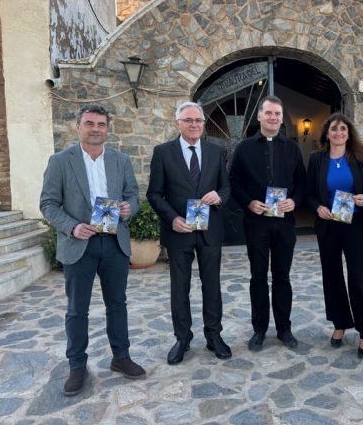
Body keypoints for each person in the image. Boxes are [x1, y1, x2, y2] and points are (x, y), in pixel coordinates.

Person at [40, 105, 146, 396]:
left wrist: (129, 208)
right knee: (77, 309)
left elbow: (132, 195)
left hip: (114, 243)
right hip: (79, 244)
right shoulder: (61, 161)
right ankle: (77, 365)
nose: (95, 129)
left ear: (107, 129)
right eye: (89, 123)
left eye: (101, 124)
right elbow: (48, 204)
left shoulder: (120, 160)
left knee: (117, 304)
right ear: (78, 127)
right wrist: (72, 226)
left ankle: (121, 357)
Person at [147, 102, 231, 365]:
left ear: (203, 124)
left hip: (210, 231)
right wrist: (172, 219)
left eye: (199, 120)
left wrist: (219, 196)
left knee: (212, 286)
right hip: (179, 231)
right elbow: (154, 194)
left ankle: (213, 335)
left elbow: (226, 188)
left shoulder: (216, 152)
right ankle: (182, 338)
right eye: (188, 120)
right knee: (179, 288)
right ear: (178, 123)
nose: (195, 124)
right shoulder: (163, 152)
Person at [229, 95, 306, 351]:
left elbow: (301, 183)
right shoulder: (244, 148)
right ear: (260, 116)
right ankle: (259, 329)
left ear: (282, 119)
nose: (273, 117)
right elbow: (234, 182)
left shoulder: (292, 148)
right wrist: (248, 202)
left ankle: (284, 328)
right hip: (256, 222)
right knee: (258, 276)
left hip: (285, 224)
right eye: (269, 113)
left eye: (277, 114)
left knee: (282, 276)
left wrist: (294, 201)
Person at [305, 113, 363, 359]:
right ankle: (340, 323)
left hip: (355, 225)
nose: (338, 133)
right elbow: (309, 193)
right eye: (334, 129)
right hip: (328, 226)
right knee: (332, 276)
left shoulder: (361, 157)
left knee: (357, 277)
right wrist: (318, 207)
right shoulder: (316, 159)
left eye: (343, 129)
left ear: (349, 133)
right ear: (327, 133)